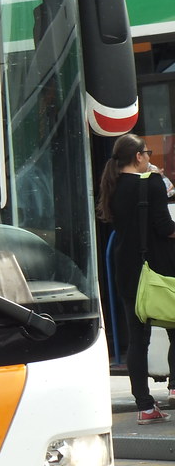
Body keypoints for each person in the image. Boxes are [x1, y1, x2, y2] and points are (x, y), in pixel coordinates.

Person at [97, 132, 175, 425]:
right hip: (157, 269)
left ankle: (144, 405)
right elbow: (165, 227)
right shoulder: (152, 184)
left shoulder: (112, 184)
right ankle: (174, 386)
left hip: (127, 270)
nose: (150, 158)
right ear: (138, 156)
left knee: (137, 339)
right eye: (147, 153)